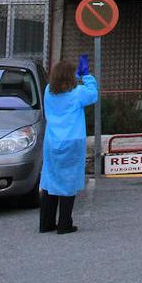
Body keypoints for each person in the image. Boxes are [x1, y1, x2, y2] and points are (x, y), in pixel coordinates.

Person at [40, 57, 99, 234]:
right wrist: (87, 75)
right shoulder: (77, 93)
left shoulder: (48, 91)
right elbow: (93, 94)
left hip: (52, 141)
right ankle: (65, 224)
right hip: (72, 141)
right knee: (68, 181)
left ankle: (46, 223)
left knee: (50, 179)